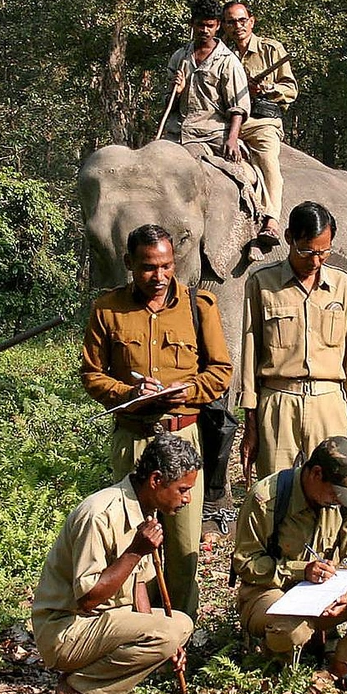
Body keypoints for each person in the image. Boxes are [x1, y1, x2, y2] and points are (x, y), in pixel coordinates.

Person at [80, 223, 232, 619]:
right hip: (134, 438)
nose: (160, 277)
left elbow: (220, 371)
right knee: (132, 536)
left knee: (183, 544)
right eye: (148, 267)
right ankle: (134, 626)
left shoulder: (200, 307)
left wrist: (189, 391)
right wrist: (129, 395)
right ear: (129, 264)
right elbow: (92, 376)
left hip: (185, 440)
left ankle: (180, 627)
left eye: (166, 266)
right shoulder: (107, 310)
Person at [32, 432, 198, 694]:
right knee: (170, 629)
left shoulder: (147, 510)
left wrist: (163, 644)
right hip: (67, 629)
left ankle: (86, 684)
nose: (188, 498)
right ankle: (79, 689)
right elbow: (86, 600)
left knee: (179, 624)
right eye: (182, 489)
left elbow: (139, 587)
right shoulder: (99, 514)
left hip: (103, 622)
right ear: (156, 481)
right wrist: (135, 551)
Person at [231, 436, 347, 682]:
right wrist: (300, 571)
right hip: (271, 593)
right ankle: (278, 664)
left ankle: (344, 666)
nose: (342, 500)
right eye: (337, 493)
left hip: (327, 595)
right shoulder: (267, 498)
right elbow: (245, 562)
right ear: (317, 474)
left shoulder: (346, 498)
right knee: (290, 629)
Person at [239, 201, 347, 486]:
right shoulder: (261, 284)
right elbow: (250, 355)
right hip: (278, 403)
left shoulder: (343, 287)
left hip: (329, 404)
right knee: (275, 494)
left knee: (337, 491)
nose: (315, 261)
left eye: (323, 252)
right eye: (306, 251)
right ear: (289, 238)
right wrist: (250, 424)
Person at [222, 0, 298, 243]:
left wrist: (267, 89)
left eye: (242, 20)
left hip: (263, 121)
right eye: (231, 22)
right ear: (224, 26)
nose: (238, 26)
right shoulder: (222, 54)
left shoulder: (271, 49)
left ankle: (272, 221)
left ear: (251, 22)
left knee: (267, 161)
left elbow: (291, 90)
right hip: (231, 123)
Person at [164, 0, 251, 164]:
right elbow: (168, 105)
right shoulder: (179, 57)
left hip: (212, 133)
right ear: (192, 24)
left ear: (218, 26)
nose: (204, 30)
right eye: (200, 25)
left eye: (210, 26)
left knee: (241, 174)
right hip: (177, 134)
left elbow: (238, 108)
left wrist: (232, 139)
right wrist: (178, 93)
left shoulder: (228, 61)